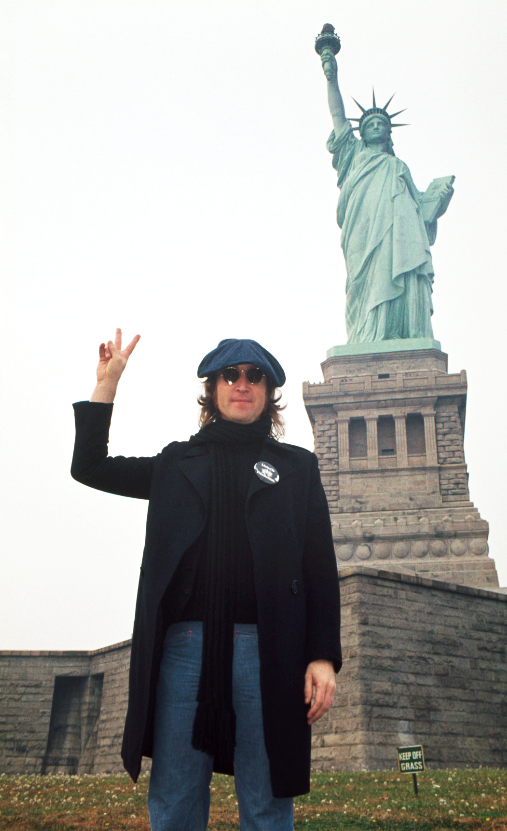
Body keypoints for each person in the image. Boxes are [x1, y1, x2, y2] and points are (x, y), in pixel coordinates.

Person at [71, 330, 342, 831]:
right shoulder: (177, 463)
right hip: (184, 649)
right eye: (230, 375)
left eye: (254, 375)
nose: (242, 384)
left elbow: (319, 569)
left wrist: (322, 656)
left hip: (270, 651)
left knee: (266, 803)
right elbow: (89, 467)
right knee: (175, 801)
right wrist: (106, 387)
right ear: (213, 389)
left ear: (268, 391)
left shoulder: (297, 469)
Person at [320, 48, 454, 344]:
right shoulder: (353, 155)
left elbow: (419, 210)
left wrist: (438, 200)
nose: (376, 126)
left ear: (388, 133)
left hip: (398, 236)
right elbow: (338, 116)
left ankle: (396, 331)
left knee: (398, 272)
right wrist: (332, 76)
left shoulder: (398, 166)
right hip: (362, 230)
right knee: (360, 284)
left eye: (381, 123)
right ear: (363, 133)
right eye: (369, 125)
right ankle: (365, 336)